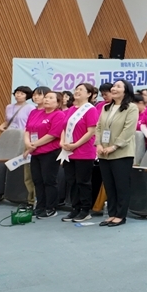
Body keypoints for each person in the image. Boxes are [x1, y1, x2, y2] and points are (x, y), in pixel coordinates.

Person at [96, 80, 139, 227]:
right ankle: (112, 213)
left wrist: (114, 146)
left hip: (121, 153)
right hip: (104, 152)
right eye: (113, 86)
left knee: (121, 185)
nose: (114, 88)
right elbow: (99, 127)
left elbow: (128, 130)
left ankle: (121, 215)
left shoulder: (131, 108)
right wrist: (99, 144)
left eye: (118, 86)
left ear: (126, 91)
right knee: (109, 185)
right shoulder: (105, 107)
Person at [59, 83, 99, 223]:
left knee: (83, 182)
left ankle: (85, 210)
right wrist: (62, 142)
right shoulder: (71, 110)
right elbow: (64, 128)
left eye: (81, 90)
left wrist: (75, 144)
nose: (77, 91)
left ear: (89, 94)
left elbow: (91, 131)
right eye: (76, 89)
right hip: (69, 152)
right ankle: (75, 209)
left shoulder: (91, 110)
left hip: (84, 151)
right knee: (72, 181)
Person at [24, 90, 65, 218]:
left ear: (58, 102)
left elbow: (53, 135)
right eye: (46, 97)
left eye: (50, 98)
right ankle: (40, 206)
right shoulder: (35, 112)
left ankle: (51, 207)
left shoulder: (59, 115)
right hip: (35, 152)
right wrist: (28, 143)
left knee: (49, 180)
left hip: (50, 152)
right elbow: (27, 130)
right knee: (37, 180)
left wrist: (34, 145)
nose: (46, 99)